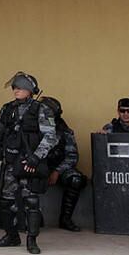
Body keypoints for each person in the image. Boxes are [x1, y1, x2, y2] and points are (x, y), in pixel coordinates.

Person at [0, 72, 58, 255]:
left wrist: (37, 157)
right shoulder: (7, 109)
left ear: (31, 90)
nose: (17, 90)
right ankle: (11, 235)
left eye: (21, 88)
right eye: (15, 87)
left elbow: (51, 136)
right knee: (5, 201)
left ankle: (32, 239)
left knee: (31, 201)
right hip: (10, 161)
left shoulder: (41, 109)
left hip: (30, 162)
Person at [38, 96, 86, 232]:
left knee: (76, 179)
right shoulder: (32, 127)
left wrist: (57, 171)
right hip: (37, 166)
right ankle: (33, 218)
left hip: (57, 168)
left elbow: (72, 156)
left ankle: (65, 219)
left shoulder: (64, 131)